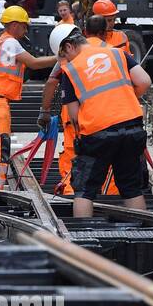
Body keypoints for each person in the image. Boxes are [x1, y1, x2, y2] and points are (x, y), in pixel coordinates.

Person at [54, 21, 152, 219]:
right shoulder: (118, 54)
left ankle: (84, 238)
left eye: (64, 56)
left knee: (84, 190)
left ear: (69, 46)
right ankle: (142, 236)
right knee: (131, 188)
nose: (65, 61)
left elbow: (74, 116)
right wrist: (125, 99)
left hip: (97, 134)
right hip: (132, 128)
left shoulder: (72, 70)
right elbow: (144, 81)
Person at [0, 5, 57, 190]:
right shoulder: (10, 42)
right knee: (0, 144)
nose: (25, 31)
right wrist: (61, 58)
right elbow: (34, 63)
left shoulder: (3, 41)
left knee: (1, 142)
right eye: (24, 26)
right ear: (14, 25)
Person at [40, 11, 103, 196]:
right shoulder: (101, 50)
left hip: (76, 115)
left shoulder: (67, 59)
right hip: (104, 114)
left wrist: (44, 111)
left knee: (74, 155)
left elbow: (52, 82)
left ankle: (71, 193)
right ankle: (106, 196)